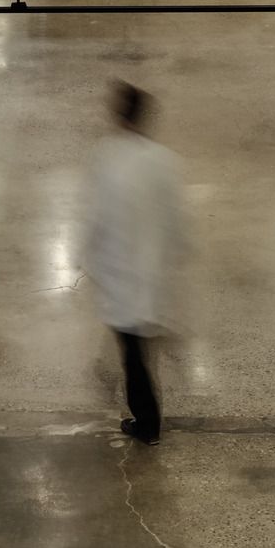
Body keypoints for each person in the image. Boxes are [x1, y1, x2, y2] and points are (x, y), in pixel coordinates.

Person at [80, 80, 187, 444]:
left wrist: (88, 258)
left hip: (122, 273)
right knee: (137, 347)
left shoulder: (107, 158)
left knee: (134, 355)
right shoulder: (163, 161)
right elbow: (176, 219)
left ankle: (147, 425)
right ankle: (143, 411)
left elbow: (97, 218)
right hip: (149, 272)